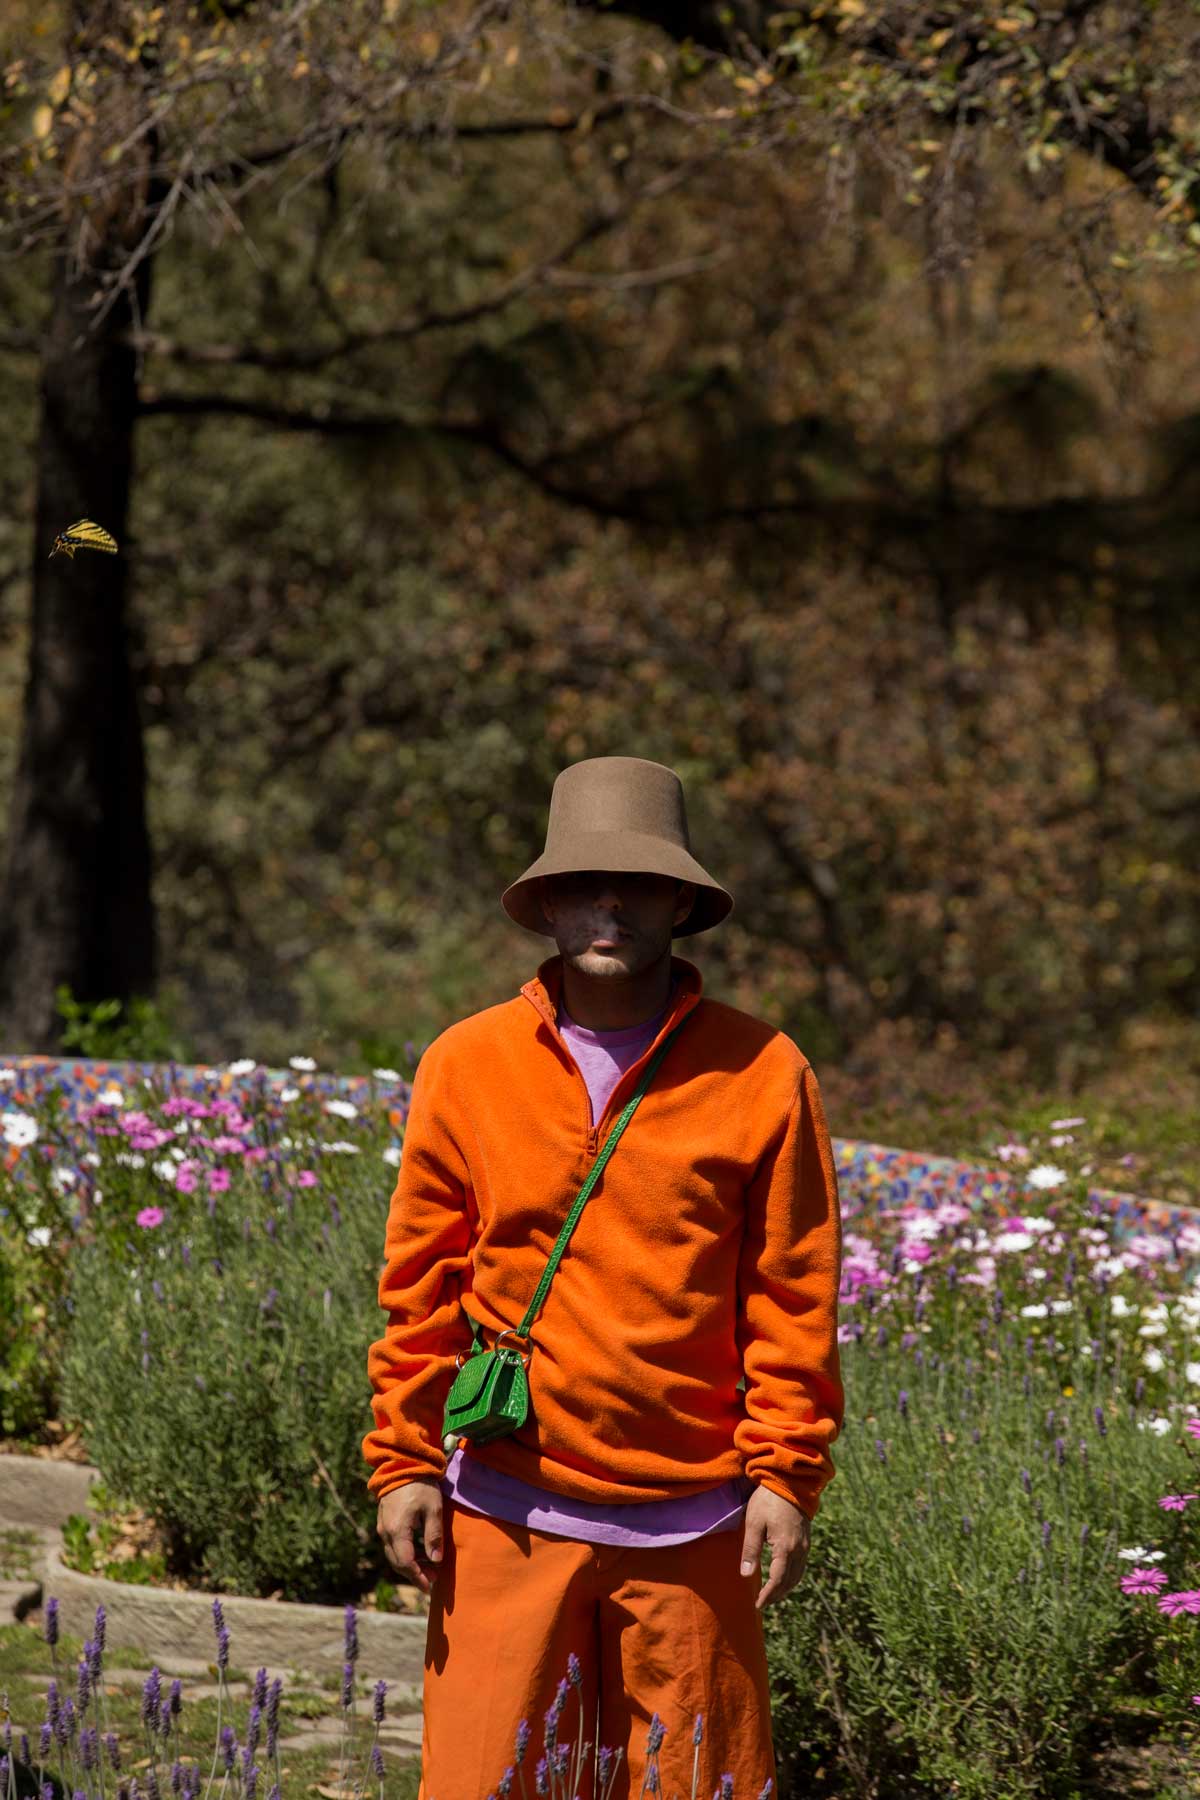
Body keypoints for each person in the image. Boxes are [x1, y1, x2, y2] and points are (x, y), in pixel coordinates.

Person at [363, 755, 844, 1800]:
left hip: (698, 1529)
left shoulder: (766, 1074)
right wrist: (402, 1460)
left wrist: (784, 1473)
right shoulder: (467, 1063)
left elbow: (794, 1294)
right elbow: (423, 1285)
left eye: (636, 883)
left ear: (682, 900)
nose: (609, 904)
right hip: (505, 1510)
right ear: (547, 905)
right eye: (584, 882)